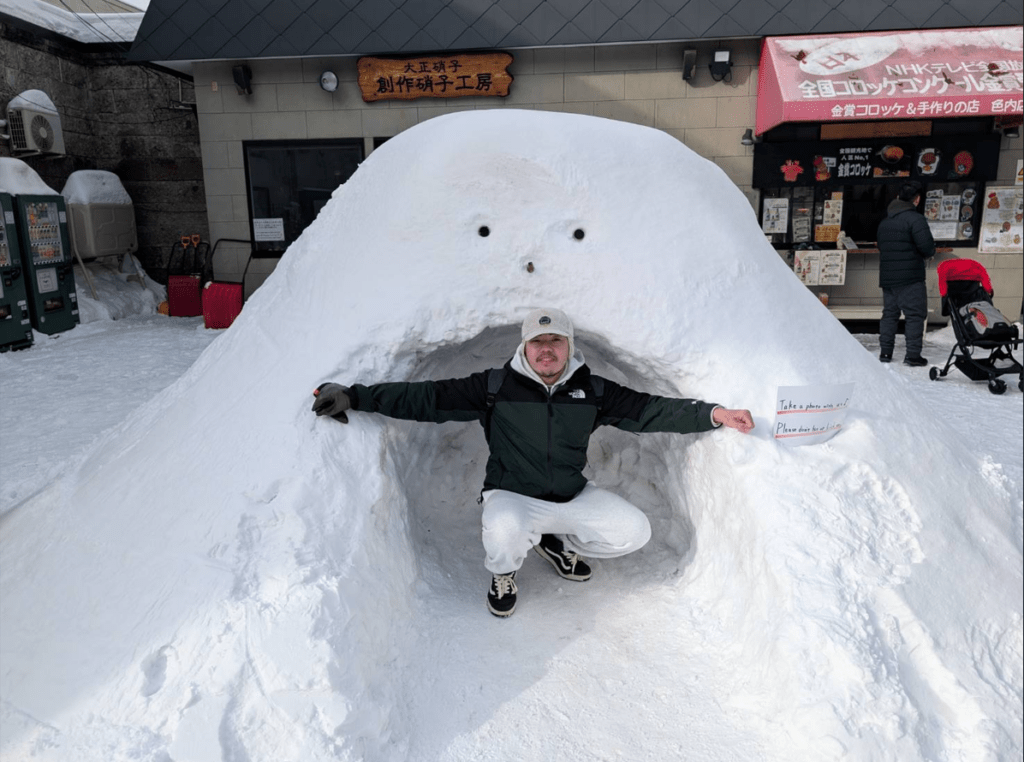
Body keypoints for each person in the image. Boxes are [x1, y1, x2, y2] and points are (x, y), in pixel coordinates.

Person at [311, 308, 754, 618]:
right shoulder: (494, 387)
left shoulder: (592, 390)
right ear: (524, 346)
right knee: (504, 532)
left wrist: (713, 414)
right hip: (512, 495)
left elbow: (651, 409)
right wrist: (355, 395)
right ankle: (504, 575)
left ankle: (556, 542)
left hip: (569, 494)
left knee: (635, 531)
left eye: (555, 341)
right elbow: (428, 398)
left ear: (569, 346)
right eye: (537, 341)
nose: (547, 350)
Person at [876, 181, 937, 366]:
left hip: (888, 278)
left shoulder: (885, 222)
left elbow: (882, 247)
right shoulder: (916, 219)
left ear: (897, 198)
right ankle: (912, 356)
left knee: (889, 316)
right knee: (915, 316)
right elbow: (928, 248)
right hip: (911, 277)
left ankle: (885, 353)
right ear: (917, 200)